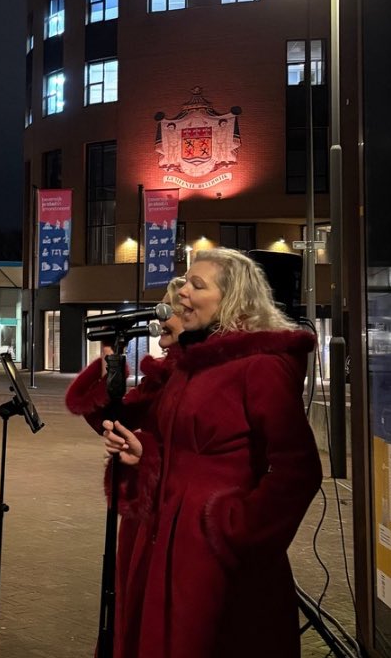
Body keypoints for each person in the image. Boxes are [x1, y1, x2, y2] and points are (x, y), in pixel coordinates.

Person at [102, 249, 322, 658]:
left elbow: (298, 470)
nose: (182, 292)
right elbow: (179, 445)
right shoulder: (191, 364)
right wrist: (144, 455)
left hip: (214, 555)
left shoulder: (261, 365)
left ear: (232, 298)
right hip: (166, 540)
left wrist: (237, 529)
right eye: (186, 281)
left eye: (196, 285)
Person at [65, 278, 186, 655]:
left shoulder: (197, 377)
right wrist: (108, 375)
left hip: (174, 518)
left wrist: (146, 454)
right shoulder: (164, 375)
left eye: (169, 310)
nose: (160, 319)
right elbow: (119, 418)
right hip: (146, 515)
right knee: (132, 609)